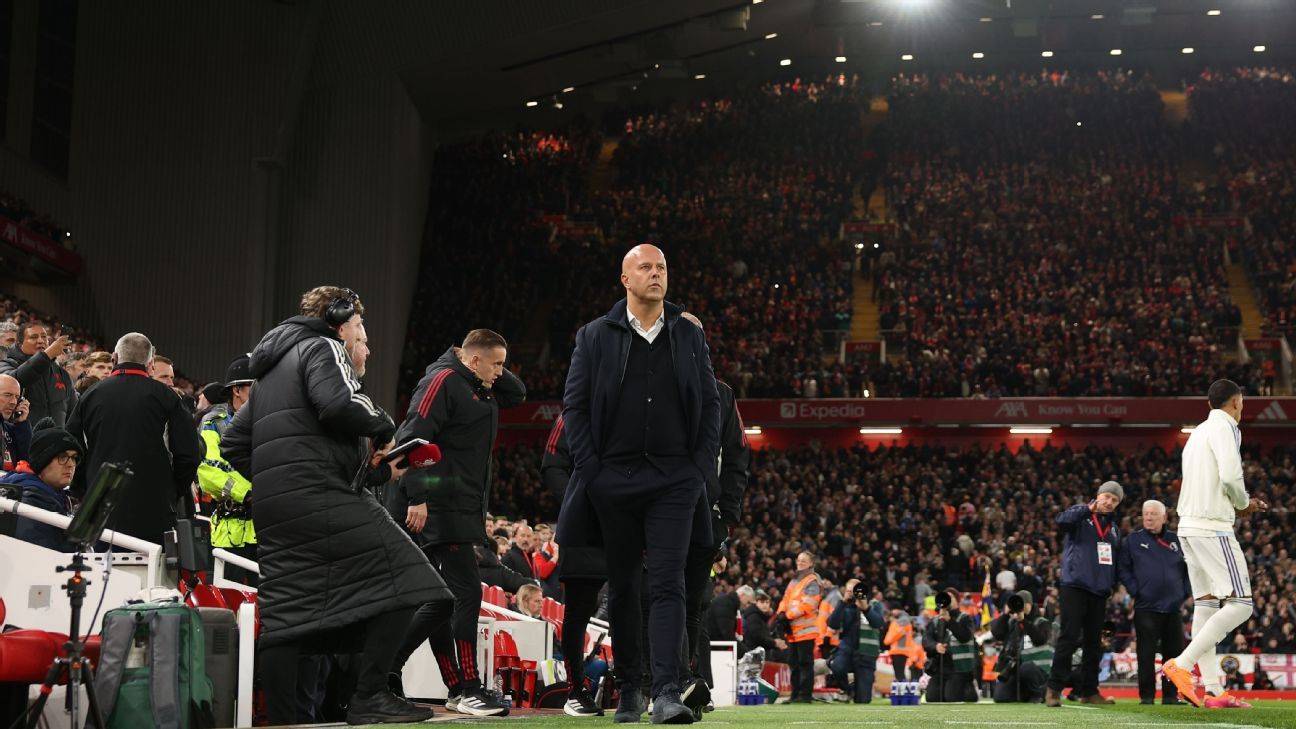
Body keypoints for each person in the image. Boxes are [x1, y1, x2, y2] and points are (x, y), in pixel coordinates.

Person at [222, 285, 450, 725]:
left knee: (287, 616)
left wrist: (279, 479)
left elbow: (234, 442)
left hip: (276, 508)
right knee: (413, 579)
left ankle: (284, 721)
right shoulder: (323, 345)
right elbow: (338, 403)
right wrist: (385, 427)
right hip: (318, 497)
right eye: (360, 326)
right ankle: (369, 695)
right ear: (341, 321)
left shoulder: (269, 374)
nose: (364, 338)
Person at [557, 244, 721, 724]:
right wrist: (593, 472)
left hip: (674, 480)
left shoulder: (688, 333)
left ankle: (666, 691)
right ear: (625, 279)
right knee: (625, 586)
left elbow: (710, 402)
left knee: (669, 583)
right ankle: (630, 689)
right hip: (614, 479)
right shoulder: (594, 335)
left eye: (662, 267)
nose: (656, 273)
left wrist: (697, 469)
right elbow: (574, 407)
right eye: (645, 267)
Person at [389, 328, 525, 717]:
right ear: (473, 359)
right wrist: (418, 497)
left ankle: (434, 681)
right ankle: (466, 687)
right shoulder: (443, 380)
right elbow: (413, 438)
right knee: (464, 594)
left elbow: (518, 394)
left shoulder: (479, 384)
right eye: (496, 364)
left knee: (442, 599)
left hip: (458, 506)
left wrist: (490, 366)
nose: (500, 372)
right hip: (435, 504)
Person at [1162, 379, 1268, 710]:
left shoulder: (1196, 434)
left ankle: (1211, 690)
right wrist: (1243, 503)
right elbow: (1231, 477)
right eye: (1242, 402)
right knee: (1241, 604)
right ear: (1236, 402)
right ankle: (1181, 664)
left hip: (1188, 527)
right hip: (1212, 528)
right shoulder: (1226, 427)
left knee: (1206, 606)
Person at [65, 333, 202, 544]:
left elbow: (71, 446)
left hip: (99, 503)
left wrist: (84, 488)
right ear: (150, 364)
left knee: (98, 563)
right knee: (150, 564)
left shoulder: (91, 395)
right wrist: (171, 490)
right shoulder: (168, 398)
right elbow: (189, 454)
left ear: (114, 358)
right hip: (153, 506)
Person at [1046, 480, 1123, 706]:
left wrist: (1112, 584)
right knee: (1069, 636)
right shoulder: (1080, 516)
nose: (1109, 502)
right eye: (1106, 496)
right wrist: (1086, 509)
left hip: (1099, 591)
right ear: (1098, 496)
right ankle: (1053, 689)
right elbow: (1061, 521)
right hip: (1075, 586)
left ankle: (1089, 691)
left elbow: (1114, 560)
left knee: (1093, 643)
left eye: (1114, 500)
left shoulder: (1114, 529)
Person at [1117, 499, 1190, 705]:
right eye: (1146, 513)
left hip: (1173, 608)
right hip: (1146, 607)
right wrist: (1136, 591)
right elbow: (1123, 568)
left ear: (1164, 517)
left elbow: (1190, 569)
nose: (1148, 517)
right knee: (1145, 654)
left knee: (1173, 655)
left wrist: (1184, 593)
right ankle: (1147, 697)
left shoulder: (1177, 540)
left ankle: (1170, 696)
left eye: (1153, 514)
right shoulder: (1132, 540)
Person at [196, 355, 257, 584]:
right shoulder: (214, 423)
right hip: (230, 531)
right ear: (237, 390)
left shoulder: (270, 421)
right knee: (230, 598)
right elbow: (208, 473)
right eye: (254, 385)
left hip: (266, 529)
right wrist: (248, 494)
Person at [5, 420, 83, 551]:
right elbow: (41, 555)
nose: (71, 464)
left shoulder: (58, 497)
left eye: (74, 458)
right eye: (62, 457)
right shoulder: (30, 502)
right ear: (42, 461)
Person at [0, 321, 75, 426]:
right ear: (20, 344)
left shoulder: (61, 373)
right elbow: (15, 380)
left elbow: (73, 414)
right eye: (33, 337)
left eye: (44, 337)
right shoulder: (5, 365)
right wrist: (47, 355)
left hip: (56, 436)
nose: (40, 341)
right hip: (22, 435)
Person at [827, 580, 886, 703]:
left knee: (863, 700)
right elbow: (833, 624)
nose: (853, 594)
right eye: (849, 591)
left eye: (855, 591)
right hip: (847, 648)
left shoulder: (874, 604)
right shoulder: (844, 605)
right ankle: (848, 689)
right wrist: (843, 602)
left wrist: (866, 609)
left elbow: (878, 623)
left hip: (866, 653)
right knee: (837, 667)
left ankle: (857, 689)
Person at [990, 590, 1052, 703]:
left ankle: (1040, 693)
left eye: (1021, 603)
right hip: (1017, 669)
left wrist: (1024, 621)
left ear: (1029, 604)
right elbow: (997, 633)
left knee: (1026, 668)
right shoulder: (1013, 623)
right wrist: (1006, 614)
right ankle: (1026, 694)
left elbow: (1040, 639)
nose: (1018, 607)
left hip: (1037, 670)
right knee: (1000, 697)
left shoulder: (1042, 622)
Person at [778, 551, 823, 703]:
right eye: (799, 560)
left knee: (805, 664)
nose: (800, 562)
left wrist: (787, 615)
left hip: (806, 631)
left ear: (811, 564)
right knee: (793, 664)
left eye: (804, 560)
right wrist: (781, 613)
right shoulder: (795, 580)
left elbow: (809, 604)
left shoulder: (812, 581)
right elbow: (785, 599)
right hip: (793, 631)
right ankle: (795, 695)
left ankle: (805, 695)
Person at [923, 589, 978, 703]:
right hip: (940, 667)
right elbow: (926, 640)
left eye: (950, 597)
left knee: (951, 697)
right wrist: (935, 646)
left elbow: (965, 637)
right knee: (932, 698)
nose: (946, 600)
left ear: (957, 601)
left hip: (959, 668)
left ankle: (969, 689)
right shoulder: (935, 621)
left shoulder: (965, 618)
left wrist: (949, 620)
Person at [0, 374, 32, 469]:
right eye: (8, 395)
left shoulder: (11, 430)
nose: (13, 402)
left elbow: (27, 464)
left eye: (17, 397)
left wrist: (22, 425)